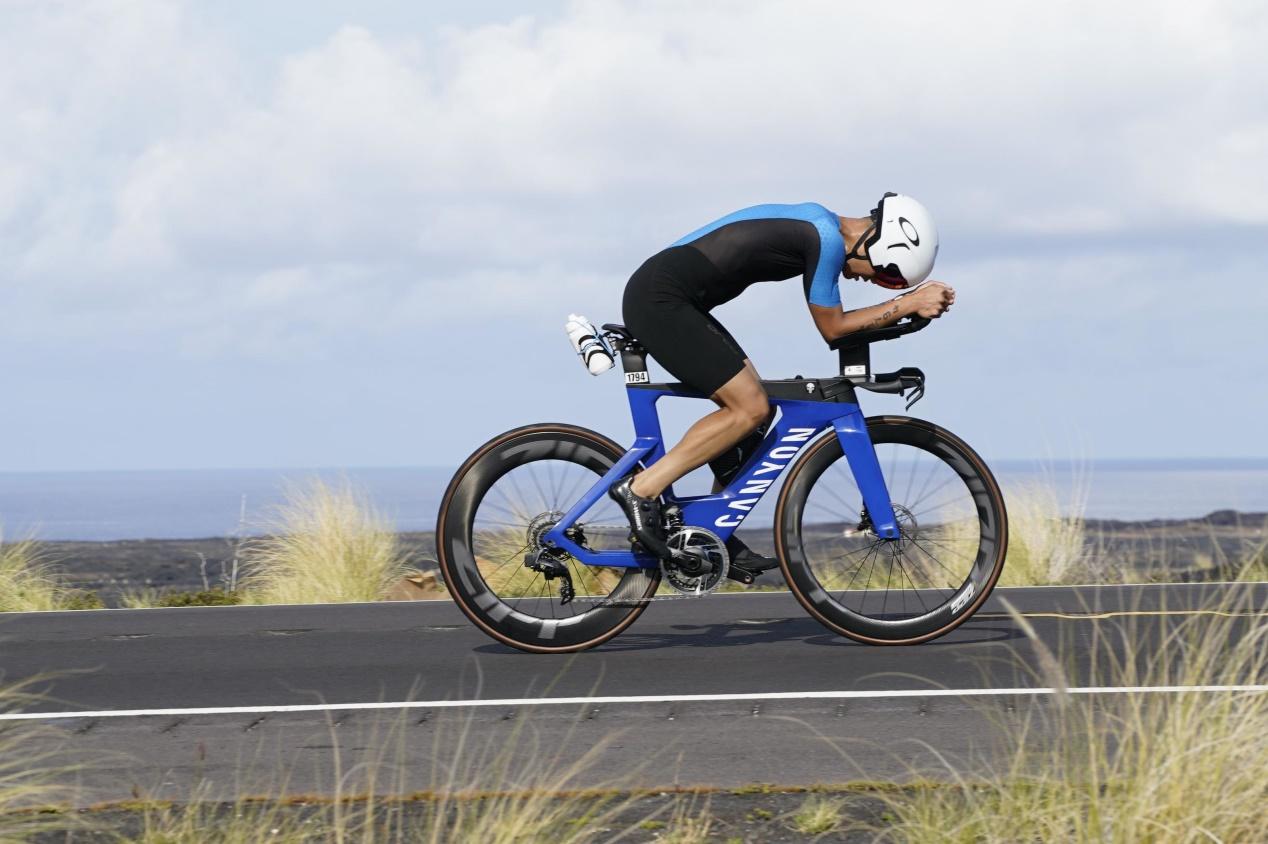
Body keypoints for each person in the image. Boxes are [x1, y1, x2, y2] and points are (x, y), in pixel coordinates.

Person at [609, 194, 955, 572]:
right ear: (882, 241)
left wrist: (904, 308)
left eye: (890, 283)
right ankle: (641, 488)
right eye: (886, 272)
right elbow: (833, 328)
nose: (870, 279)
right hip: (661, 298)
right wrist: (907, 304)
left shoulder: (819, 226)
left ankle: (712, 527)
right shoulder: (825, 239)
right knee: (750, 406)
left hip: (672, 296)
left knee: (757, 411)